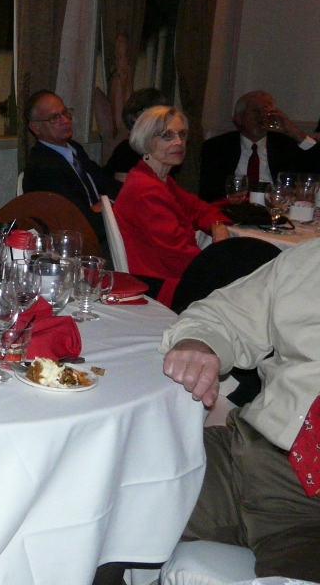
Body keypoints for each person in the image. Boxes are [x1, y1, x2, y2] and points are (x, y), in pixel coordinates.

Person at [160, 240, 320, 581]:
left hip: (310, 520)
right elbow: (222, 314)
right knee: (101, 490)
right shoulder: (311, 260)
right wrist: (199, 343)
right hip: (247, 454)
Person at [112, 106, 229, 307]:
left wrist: (217, 224)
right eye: (167, 135)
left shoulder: (159, 180)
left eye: (182, 134)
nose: (178, 142)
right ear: (147, 141)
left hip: (174, 277)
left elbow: (199, 208)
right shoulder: (145, 189)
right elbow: (179, 256)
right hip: (161, 288)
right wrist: (220, 260)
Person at [21, 90, 121, 249]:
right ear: (36, 128)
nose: (65, 120)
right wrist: (107, 207)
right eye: (55, 117)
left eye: (65, 113)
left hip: (105, 230)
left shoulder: (74, 149)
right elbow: (77, 221)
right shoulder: (43, 167)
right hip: (81, 247)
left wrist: (106, 204)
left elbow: (109, 184)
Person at [199, 90, 319, 201]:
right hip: (233, 210)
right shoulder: (217, 147)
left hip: (275, 207)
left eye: (267, 111)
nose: (263, 116)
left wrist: (293, 131)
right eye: (256, 110)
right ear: (239, 119)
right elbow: (209, 193)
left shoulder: (285, 145)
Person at [102, 87, 168, 181]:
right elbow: (124, 191)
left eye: (160, 111)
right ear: (134, 117)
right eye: (149, 110)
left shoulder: (165, 147)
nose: (155, 117)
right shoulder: (127, 151)